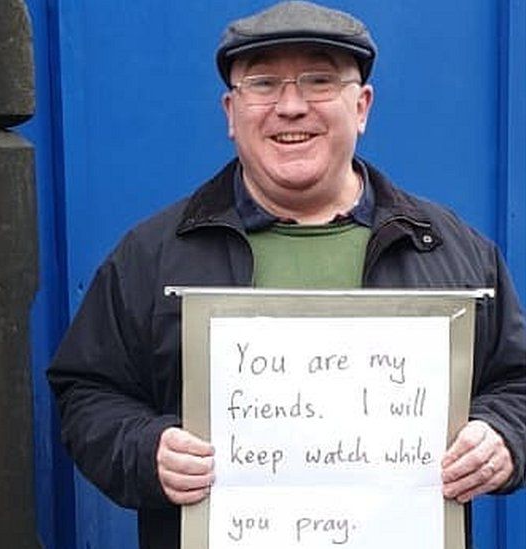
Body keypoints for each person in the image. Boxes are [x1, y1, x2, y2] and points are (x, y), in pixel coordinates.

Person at [46, 2, 526, 548]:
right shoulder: (152, 256)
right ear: (231, 111)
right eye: (263, 83)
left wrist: (503, 438)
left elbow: (518, 384)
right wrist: (143, 448)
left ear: (362, 106)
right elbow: (87, 392)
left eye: (319, 80)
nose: (291, 106)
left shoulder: (452, 252)